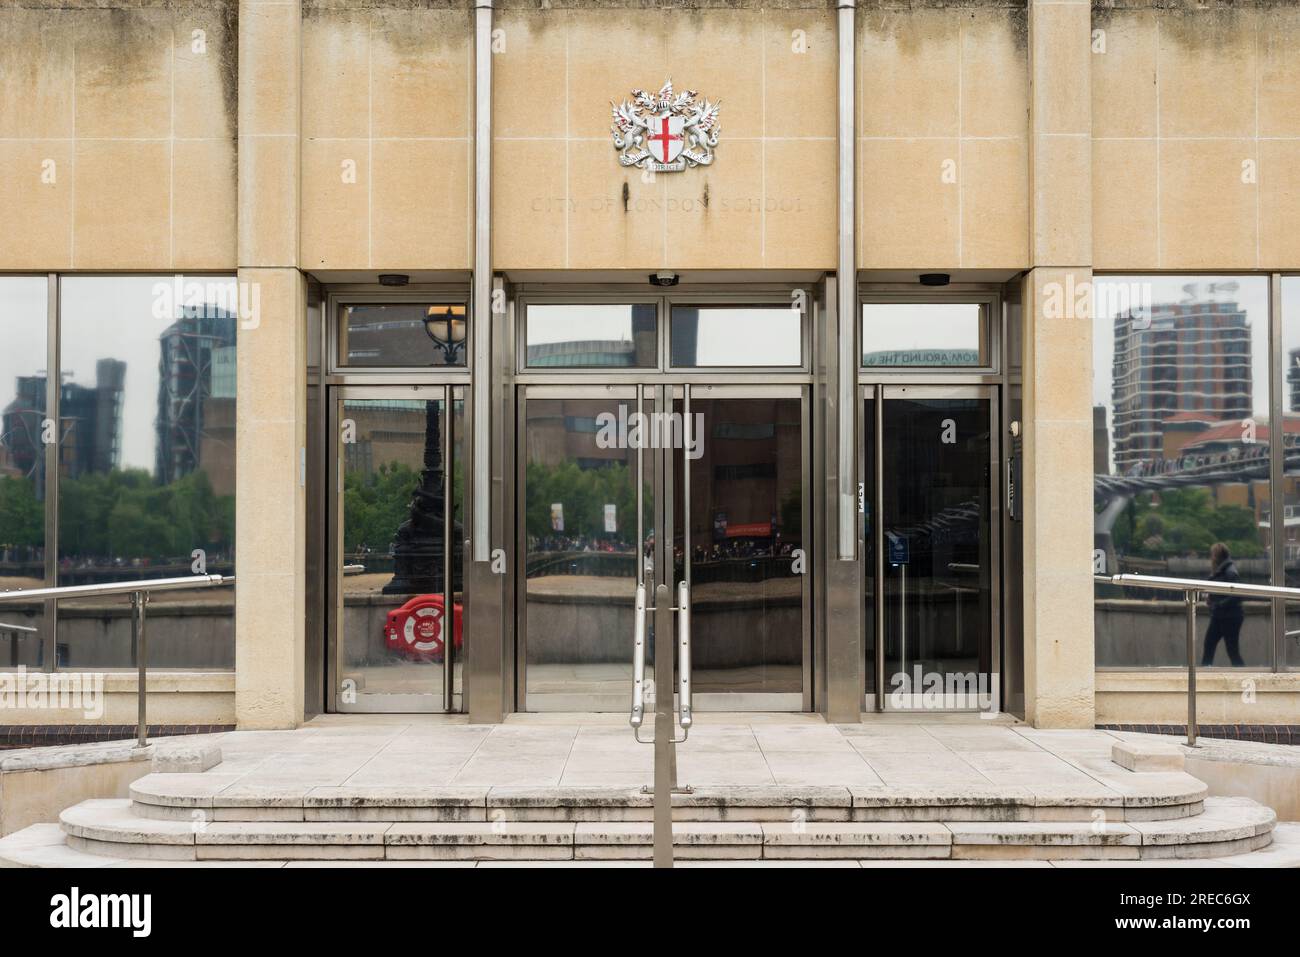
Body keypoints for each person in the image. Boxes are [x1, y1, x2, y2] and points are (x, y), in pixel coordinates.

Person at [1202, 542, 1245, 667]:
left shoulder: (1230, 572)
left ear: (1217, 556)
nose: (1211, 558)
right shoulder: (1223, 570)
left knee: (1230, 650)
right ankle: (1204, 672)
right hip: (1221, 616)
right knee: (1211, 645)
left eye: (1212, 555)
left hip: (1229, 617)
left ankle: (1242, 673)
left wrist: (1218, 604)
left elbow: (1237, 595)